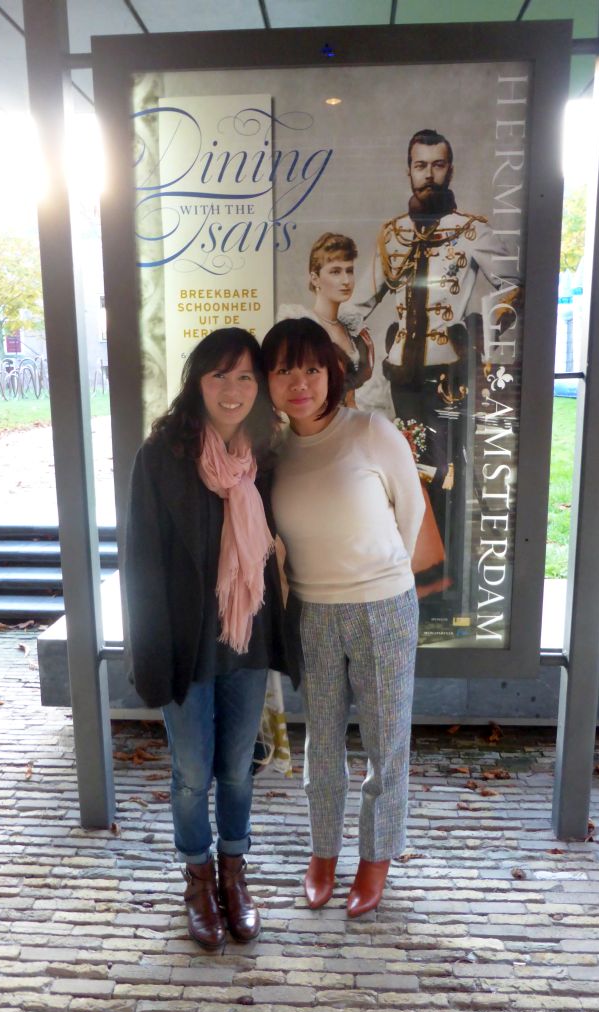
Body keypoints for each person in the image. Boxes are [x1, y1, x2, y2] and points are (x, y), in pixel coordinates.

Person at [124, 328, 285, 950]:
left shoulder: (264, 454)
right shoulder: (161, 456)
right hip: (186, 648)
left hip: (248, 642)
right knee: (193, 773)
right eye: (220, 375)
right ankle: (197, 879)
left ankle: (234, 875)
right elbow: (140, 564)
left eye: (246, 376)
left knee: (240, 770)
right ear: (197, 381)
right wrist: (150, 659)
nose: (233, 388)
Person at [262, 317, 424, 917]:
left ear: (333, 372)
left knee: (386, 743)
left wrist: (378, 580)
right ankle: (323, 853)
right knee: (321, 742)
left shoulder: (372, 432)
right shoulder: (276, 450)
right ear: (269, 381)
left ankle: (376, 859)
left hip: (382, 608)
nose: (299, 382)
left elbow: (408, 516)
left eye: (311, 367)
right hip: (311, 610)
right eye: (283, 370)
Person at [348, 129, 522, 593]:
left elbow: (512, 284)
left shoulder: (472, 230)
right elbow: (361, 301)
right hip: (401, 372)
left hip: (450, 372)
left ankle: (453, 580)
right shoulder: (393, 234)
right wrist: (339, 340)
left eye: (437, 165)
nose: (428, 174)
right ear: (408, 169)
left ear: (450, 169)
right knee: (411, 471)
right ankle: (424, 578)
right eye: (420, 165)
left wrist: (480, 334)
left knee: (448, 470)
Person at [278, 231, 374, 407]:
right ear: (315, 278)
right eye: (335, 272)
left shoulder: (351, 329)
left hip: (352, 419)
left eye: (349, 271)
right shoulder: (303, 329)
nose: (346, 280)